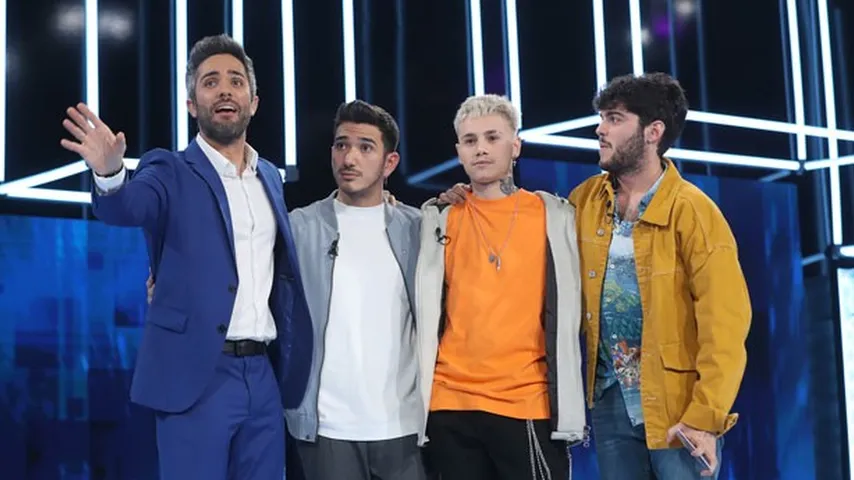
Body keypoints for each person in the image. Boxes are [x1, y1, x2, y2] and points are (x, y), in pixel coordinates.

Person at [442, 73, 752, 479]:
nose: (600, 129)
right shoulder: (584, 201)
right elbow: (517, 221)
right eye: (602, 118)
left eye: (614, 119)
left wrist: (706, 416)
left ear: (653, 131)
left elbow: (726, 325)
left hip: (679, 412)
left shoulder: (694, 212)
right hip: (609, 402)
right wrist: (465, 197)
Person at [60, 34, 313, 480]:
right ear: (193, 104)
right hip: (197, 375)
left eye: (235, 82)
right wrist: (109, 172)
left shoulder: (270, 176)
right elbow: (127, 207)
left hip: (263, 374)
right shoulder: (169, 169)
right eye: (210, 82)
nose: (225, 91)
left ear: (253, 101)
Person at [415, 94, 587, 480]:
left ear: (515, 146)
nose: (481, 149)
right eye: (471, 140)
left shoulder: (552, 216)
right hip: (449, 405)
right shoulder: (438, 218)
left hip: (526, 402)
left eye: (493, 138)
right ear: (459, 151)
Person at [284, 100, 427, 479]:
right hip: (328, 429)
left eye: (365, 147)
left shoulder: (420, 229)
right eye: (341, 144)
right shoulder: (299, 227)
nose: (349, 157)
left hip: (405, 427)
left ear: (389, 163)